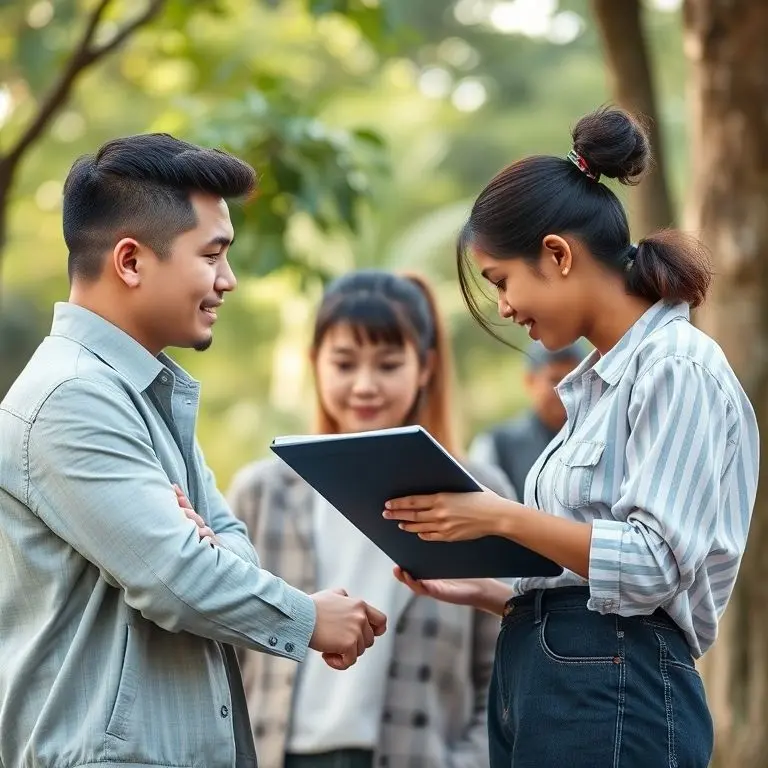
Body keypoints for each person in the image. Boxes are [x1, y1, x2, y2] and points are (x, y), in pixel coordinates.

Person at [382, 107, 759, 767]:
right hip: (550, 675)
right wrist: (493, 592)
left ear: (556, 254)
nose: (501, 306)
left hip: (615, 681)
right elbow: (594, 574)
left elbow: (651, 567)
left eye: (501, 280)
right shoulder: (596, 390)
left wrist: (498, 517)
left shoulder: (675, 366)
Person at [0, 134, 387, 768]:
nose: (228, 281)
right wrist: (307, 619)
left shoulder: (141, 390)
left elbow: (230, 546)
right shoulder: (71, 397)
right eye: (212, 255)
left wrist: (200, 548)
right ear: (130, 261)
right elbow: (176, 579)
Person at [228, 269, 513, 768]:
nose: (364, 386)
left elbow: (504, 660)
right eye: (344, 363)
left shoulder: (478, 492)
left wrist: (470, 759)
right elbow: (227, 643)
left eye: (387, 364)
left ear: (424, 367)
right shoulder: (262, 492)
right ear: (315, 364)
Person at [469, 339, 590, 498]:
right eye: (555, 380)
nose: (566, 391)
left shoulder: (596, 437)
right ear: (530, 381)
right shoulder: (497, 444)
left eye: (575, 381)